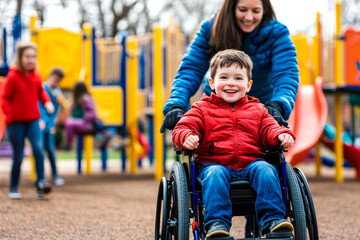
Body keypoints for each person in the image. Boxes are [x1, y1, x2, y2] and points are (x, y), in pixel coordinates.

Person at [172, 49, 296, 238]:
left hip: (251, 164)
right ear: (212, 83)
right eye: (224, 77)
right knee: (215, 174)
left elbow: (270, 128)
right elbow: (182, 128)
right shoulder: (201, 109)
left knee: (266, 169)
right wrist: (187, 136)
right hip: (213, 164)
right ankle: (216, 225)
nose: (231, 83)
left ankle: (273, 220)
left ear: (248, 85)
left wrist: (281, 135)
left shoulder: (258, 110)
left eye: (238, 78)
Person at [161, 0, 299, 133]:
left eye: (256, 11)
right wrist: (176, 103)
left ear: (265, 10)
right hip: (216, 111)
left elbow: (286, 74)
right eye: (242, 10)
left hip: (260, 110)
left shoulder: (277, 34)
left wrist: (279, 104)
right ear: (231, 7)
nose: (249, 17)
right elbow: (191, 69)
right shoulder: (211, 29)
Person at [1, 41, 54, 199]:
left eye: (33, 57)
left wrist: (47, 102)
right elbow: (4, 99)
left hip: (33, 120)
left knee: (38, 149)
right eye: (27, 57)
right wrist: (10, 113)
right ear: (20, 58)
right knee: (18, 155)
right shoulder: (13, 77)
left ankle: (41, 183)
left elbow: (41, 93)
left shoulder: (36, 76)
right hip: (16, 122)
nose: (31, 60)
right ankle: (14, 186)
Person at [38, 67, 66, 186]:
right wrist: (42, 119)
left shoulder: (57, 92)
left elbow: (56, 109)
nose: (56, 83)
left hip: (50, 125)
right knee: (39, 150)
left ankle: (55, 175)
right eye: (54, 80)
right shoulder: (43, 88)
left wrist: (54, 121)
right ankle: (41, 177)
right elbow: (40, 106)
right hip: (41, 122)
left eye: (58, 81)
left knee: (50, 150)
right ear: (49, 77)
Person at [64, 81, 110, 150]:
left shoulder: (86, 99)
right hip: (82, 123)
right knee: (68, 122)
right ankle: (69, 143)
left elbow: (93, 114)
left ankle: (68, 144)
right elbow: (74, 112)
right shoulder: (78, 100)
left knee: (69, 123)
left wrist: (84, 118)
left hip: (88, 124)